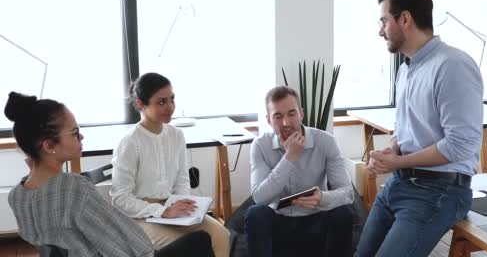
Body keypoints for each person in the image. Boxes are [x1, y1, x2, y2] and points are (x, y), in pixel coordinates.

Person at [355, 0, 484, 257]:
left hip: (440, 191)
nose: (380, 31)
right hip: (400, 184)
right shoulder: (406, 70)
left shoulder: (453, 65)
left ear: (405, 19)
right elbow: (406, 132)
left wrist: (399, 161)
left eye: (384, 21)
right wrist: (394, 151)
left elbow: (461, 145)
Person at [5, 91, 213, 257]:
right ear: (49, 145)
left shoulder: (17, 195)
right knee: (200, 240)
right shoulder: (76, 189)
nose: (82, 136)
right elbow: (131, 245)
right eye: (74, 133)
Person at [110, 72, 229, 257]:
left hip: (173, 211)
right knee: (193, 245)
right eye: (161, 102)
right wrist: (163, 211)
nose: (170, 107)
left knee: (222, 234)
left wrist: (184, 208)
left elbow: (182, 179)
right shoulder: (129, 143)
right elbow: (120, 199)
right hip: (140, 217)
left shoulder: (176, 135)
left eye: (172, 99)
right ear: (141, 104)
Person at [245, 86, 355, 257]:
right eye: (278, 116)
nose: (286, 123)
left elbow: (347, 193)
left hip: (316, 219)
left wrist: (322, 198)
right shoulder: (260, 145)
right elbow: (259, 197)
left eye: (291, 114)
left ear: (301, 114)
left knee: (344, 213)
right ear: (268, 120)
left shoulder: (325, 141)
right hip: (278, 220)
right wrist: (290, 157)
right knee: (255, 213)